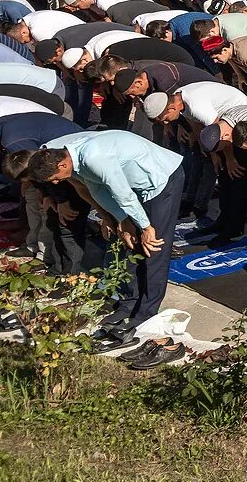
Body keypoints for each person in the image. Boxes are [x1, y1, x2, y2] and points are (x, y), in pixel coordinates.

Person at [30, 131, 186, 347]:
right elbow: (97, 191)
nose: (56, 184)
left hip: (161, 180)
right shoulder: (74, 160)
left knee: (152, 247)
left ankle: (147, 312)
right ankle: (128, 303)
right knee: (129, 243)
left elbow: (122, 193)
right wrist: (120, 220)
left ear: (61, 166)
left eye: (54, 178)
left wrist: (146, 226)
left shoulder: (94, 157)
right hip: (136, 186)